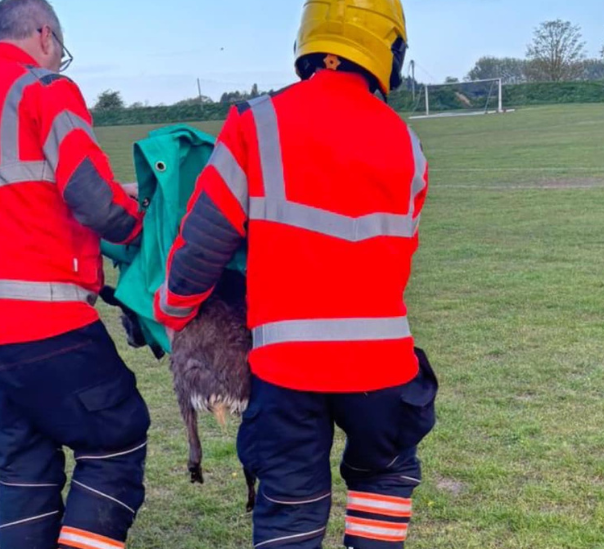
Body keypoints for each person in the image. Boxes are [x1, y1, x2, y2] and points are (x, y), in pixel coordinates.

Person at [154, 1, 438, 547]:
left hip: (287, 369)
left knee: (289, 509)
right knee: (384, 477)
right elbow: (400, 258)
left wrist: (173, 309)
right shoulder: (409, 145)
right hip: (381, 365)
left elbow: (203, 243)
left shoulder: (255, 125)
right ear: (388, 49)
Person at [0, 1, 149, 548]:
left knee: (24, 470)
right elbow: (89, 195)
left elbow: (20, 197)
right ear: (44, 35)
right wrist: (138, 225)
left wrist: (111, 195)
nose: (61, 61)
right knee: (116, 440)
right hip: (46, 317)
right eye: (61, 50)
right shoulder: (45, 88)